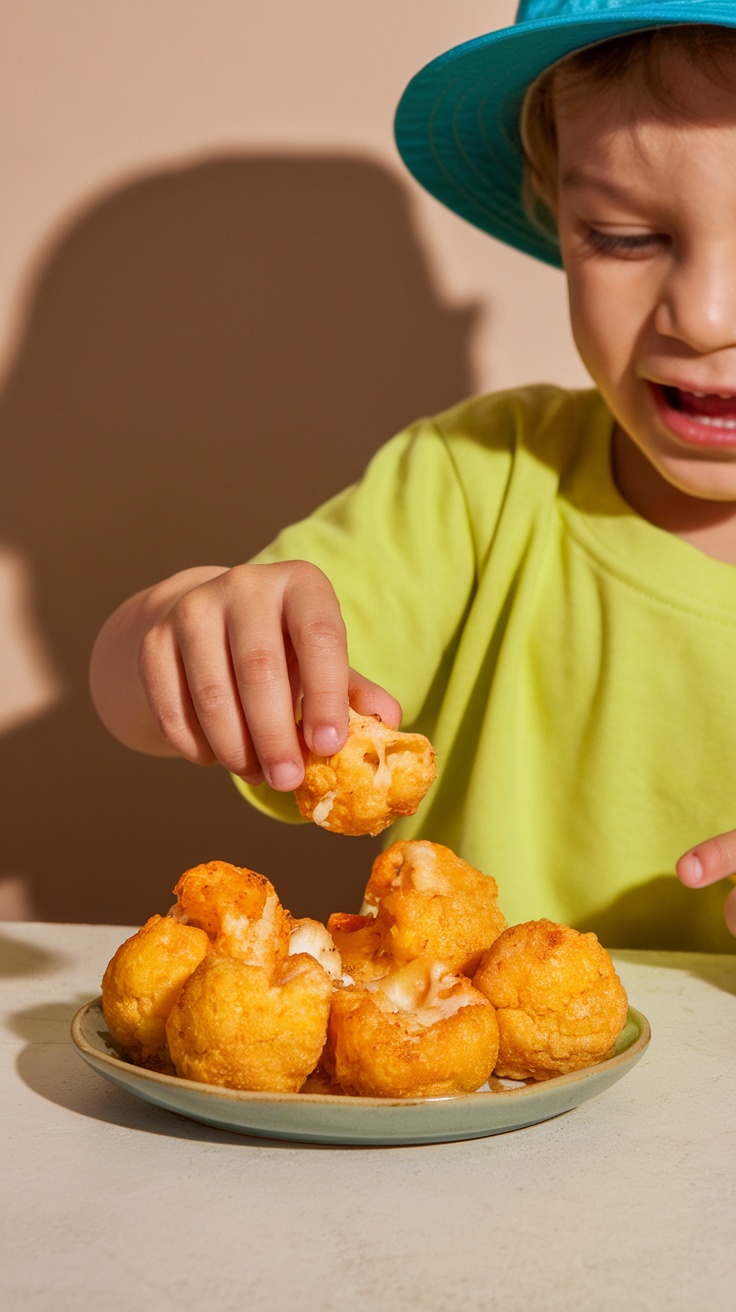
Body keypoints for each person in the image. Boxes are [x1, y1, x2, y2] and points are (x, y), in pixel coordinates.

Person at [90, 0, 736, 951]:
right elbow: (131, 697)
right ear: (557, 216)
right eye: (626, 238)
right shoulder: (479, 482)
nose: (705, 314)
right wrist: (180, 626)